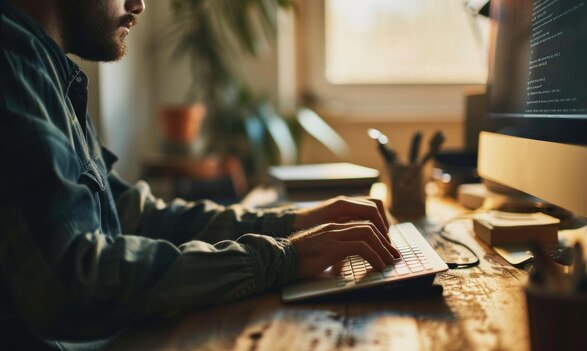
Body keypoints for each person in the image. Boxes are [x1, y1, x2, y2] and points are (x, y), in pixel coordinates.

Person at [0, 0, 401, 349]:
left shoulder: (47, 68)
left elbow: (131, 216)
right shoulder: (12, 68)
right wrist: (285, 258)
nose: (139, 5)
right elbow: (72, 280)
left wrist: (293, 223)